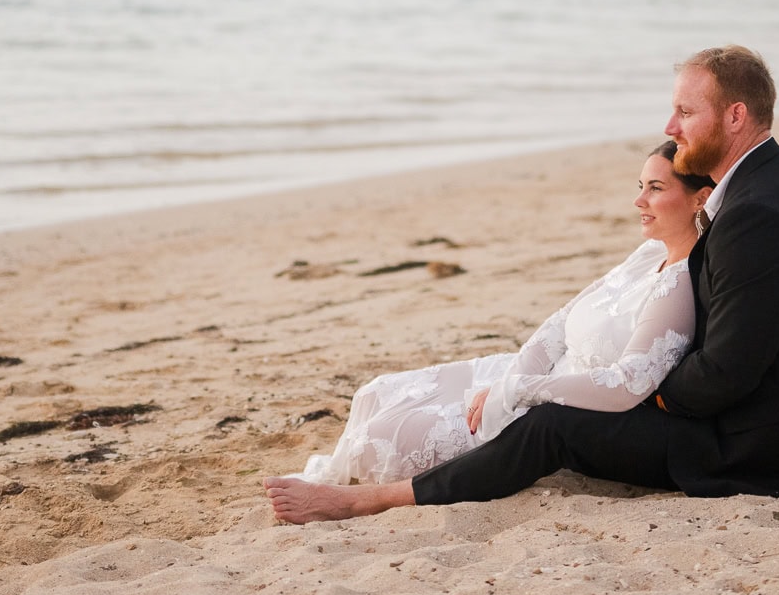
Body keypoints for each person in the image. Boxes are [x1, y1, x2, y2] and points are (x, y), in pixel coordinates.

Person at [264, 45, 779, 524]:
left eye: (687, 111)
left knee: (553, 424)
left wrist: (641, 386)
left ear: (736, 116)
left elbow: (724, 377)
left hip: (776, 446)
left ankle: (374, 501)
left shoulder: (756, 213)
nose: (672, 123)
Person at [280, 143, 711, 488]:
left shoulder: (677, 289)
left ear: (700, 199)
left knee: (384, 436)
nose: (639, 200)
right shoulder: (648, 252)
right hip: (523, 372)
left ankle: (343, 491)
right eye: (640, 185)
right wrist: (515, 375)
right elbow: (563, 319)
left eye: (655, 188)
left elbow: (629, 384)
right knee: (377, 392)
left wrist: (521, 392)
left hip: (546, 404)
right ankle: (336, 474)